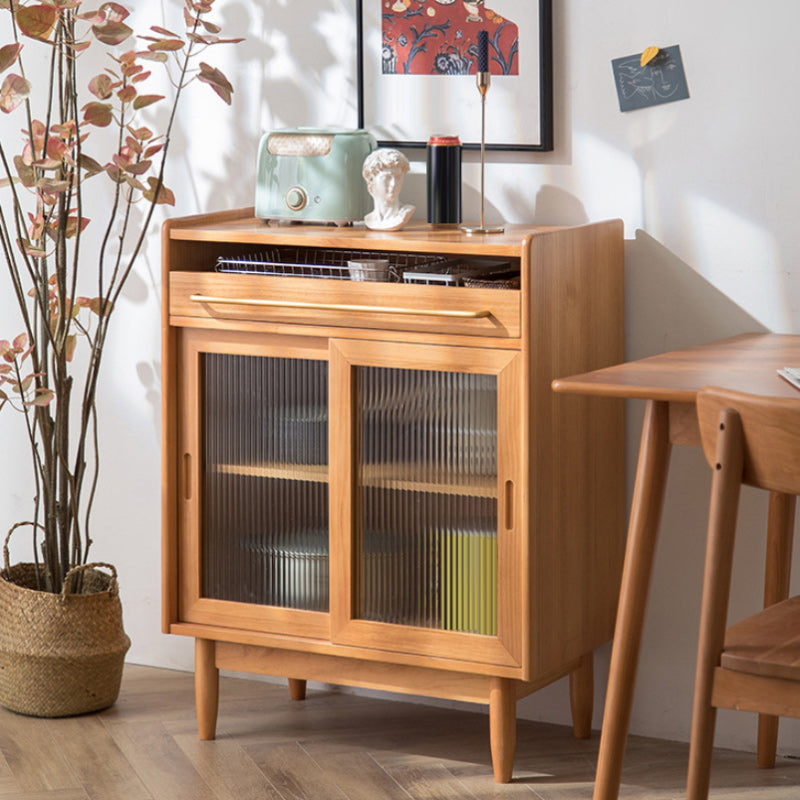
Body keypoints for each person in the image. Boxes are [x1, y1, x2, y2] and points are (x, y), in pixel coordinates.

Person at [362, 149, 415, 231]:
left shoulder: (406, 212)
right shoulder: (369, 219)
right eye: (387, 178)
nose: (393, 184)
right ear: (371, 179)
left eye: (398, 177)